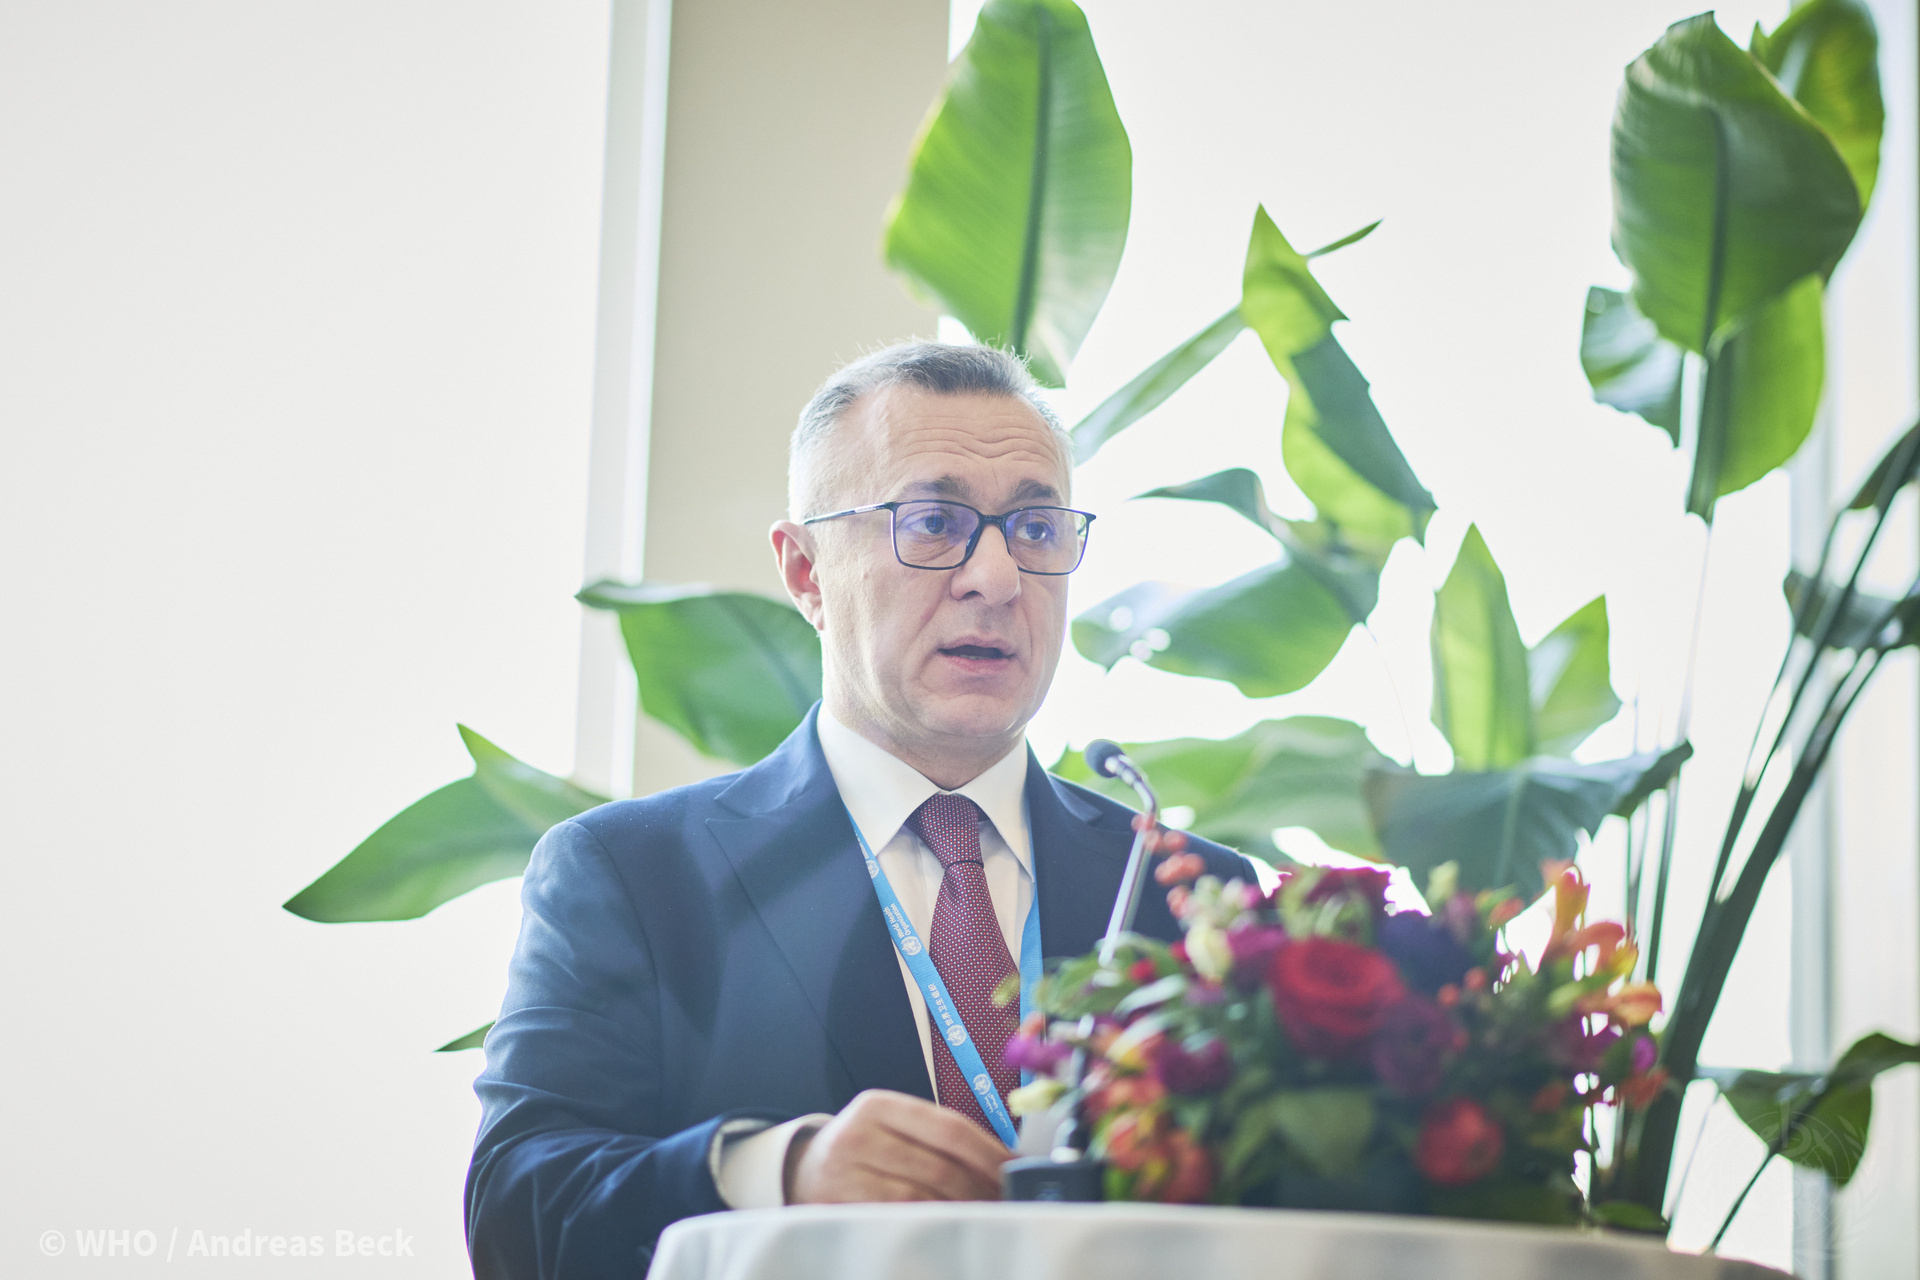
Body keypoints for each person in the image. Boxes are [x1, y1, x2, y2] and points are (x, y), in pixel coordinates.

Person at [465, 343, 1252, 1278]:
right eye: (932, 521)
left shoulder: (1187, 890)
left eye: (1036, 528)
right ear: (805, 574)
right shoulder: (636, 875)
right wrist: (780, 1170)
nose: (996, 577)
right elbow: (519, 1208)